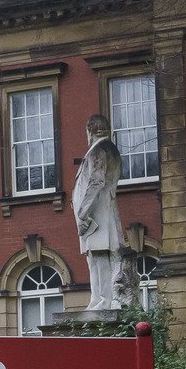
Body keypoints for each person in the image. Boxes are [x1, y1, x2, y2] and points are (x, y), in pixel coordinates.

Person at [72, 114, 123, 313]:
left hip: (98, 212)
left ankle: (103, 300)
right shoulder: (110, 149)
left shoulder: (98, 150)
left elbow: (96, 181)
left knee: (100, 256)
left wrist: (83, 212)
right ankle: (97, 299)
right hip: (103, 209)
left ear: (90, 131)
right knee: (94, 256)